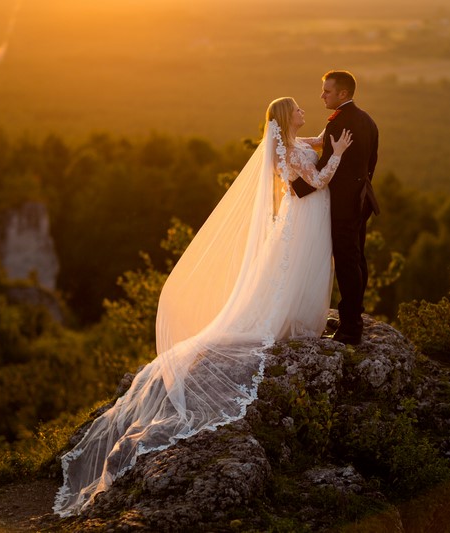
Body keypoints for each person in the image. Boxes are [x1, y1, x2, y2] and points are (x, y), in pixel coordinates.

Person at [53, 97, 352, 517]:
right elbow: (317, 181)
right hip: (303, 219)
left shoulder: (289, 140)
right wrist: (336, 155)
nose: (305, 110)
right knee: (292, 273)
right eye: (299, 108)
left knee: (298, 273)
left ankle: (296, 317)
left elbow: (311, 140)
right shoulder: (285, 148)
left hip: (303, 219)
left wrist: (328, 136)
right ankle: (287, 321)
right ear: (287, 117)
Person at [292, 70, 379, 345]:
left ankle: (351, 328)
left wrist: (294, 188)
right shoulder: (366, 119)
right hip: (362, 199)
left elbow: (325, 166)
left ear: (343, 94)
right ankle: (353, 317)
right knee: (357, 259)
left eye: (327, 91)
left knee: (346, 262)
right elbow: (370, 164)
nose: (322, 96)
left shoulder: (340, 123)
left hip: (345, 204)